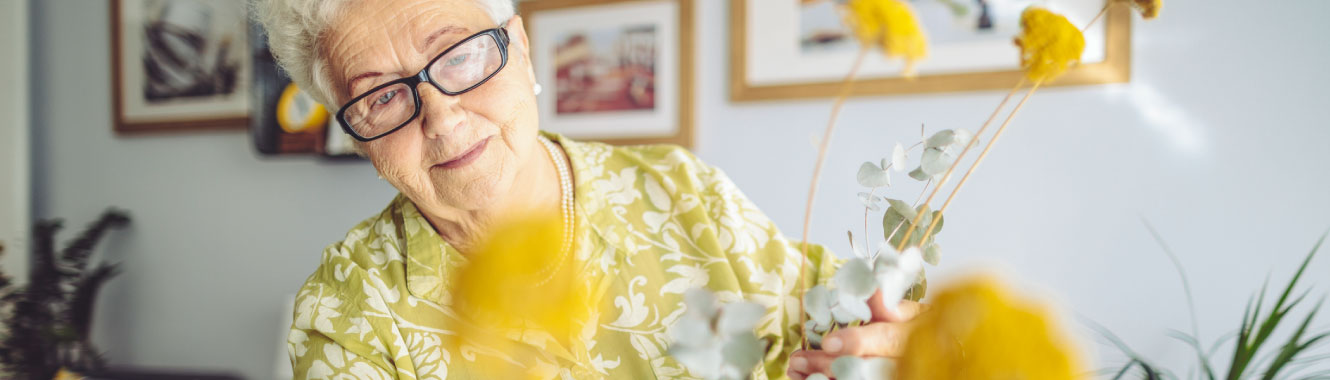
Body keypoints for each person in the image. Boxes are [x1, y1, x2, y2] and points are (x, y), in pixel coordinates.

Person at [253, 0, 920, 378]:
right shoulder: (349, 315)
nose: (442, 116)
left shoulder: (683, 194)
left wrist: (894, 350)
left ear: (521, 48)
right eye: (381, 97)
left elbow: (876, 323)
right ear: (358, 135)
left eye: (459, 56)